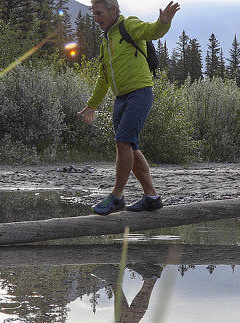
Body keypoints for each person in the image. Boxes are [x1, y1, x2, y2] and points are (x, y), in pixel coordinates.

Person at [78, 0, 180, 215]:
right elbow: (103, 77)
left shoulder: (129, 25)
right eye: (93, 14)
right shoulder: (106, 41)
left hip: (140, 93)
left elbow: (151, 31)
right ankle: (152, 197)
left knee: (123, 141)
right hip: (121, 99)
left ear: (113, 10)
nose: (95, 18)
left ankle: (116, 197)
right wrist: (92, 105)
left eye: (99, 13)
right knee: (130, 147)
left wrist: (163, 23)